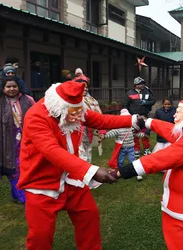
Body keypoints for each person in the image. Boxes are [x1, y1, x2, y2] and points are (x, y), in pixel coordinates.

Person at [17, 80, 143, 250]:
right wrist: (92, 171)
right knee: (40, 235)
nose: (78, 117)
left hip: (71, 177)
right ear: (59, 107)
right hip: (41, 182)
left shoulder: (74, 109)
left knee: (89, 217)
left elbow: (101, 121)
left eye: (79, 112)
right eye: (73, 113)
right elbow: (53, 151)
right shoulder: (36, 117)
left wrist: (132, 120)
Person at [111, 87, 183, 250]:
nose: (175, 114)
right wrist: (145, 122)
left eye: (180, 111)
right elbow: (169, 130)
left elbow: (159, 159)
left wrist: (120, 172)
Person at [0, 76, 35, 204]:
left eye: (14, 86)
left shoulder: (29, 100)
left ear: (19, 87)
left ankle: (15, 195)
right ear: (3, 88)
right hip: (4, 144)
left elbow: (38, 116)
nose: (12, 89)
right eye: (8, 86)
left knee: (24, 168)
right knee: (13, 170)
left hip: (25, 141)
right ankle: (22, 197)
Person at [105, 108, 146, 181]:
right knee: (120, 161)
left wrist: (143, 135)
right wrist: (104, 135)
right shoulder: (118, 129)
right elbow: (112, 133)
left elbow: (136, 134)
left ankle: (137, 174)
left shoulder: (131, 128)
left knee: (133, 160)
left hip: (131, 148)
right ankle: (120, 172)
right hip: (122, 149)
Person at [123, 77, 155, 157]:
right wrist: (126, 114)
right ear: (136, 85)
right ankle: (136, 149)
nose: (142, 85)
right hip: (134, 117)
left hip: (144, 116)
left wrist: (146, 103)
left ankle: (146, 149)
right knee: (134, 134)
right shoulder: (129, 93)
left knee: (145, 133)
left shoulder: (147, 91)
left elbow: (153, 101)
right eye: (140, 84)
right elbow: (125, 105)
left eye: (143, 83)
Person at [77, 78, 105, 164]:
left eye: (86, 87)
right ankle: (81, 174)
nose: (85, 89)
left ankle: (87, 173)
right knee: (80, 154)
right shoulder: (73, 100)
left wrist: (102, 131)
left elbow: (99, 115)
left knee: (88, 151)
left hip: (89, 131)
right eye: (83, 87)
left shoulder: (92, 100)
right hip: (76, 132)